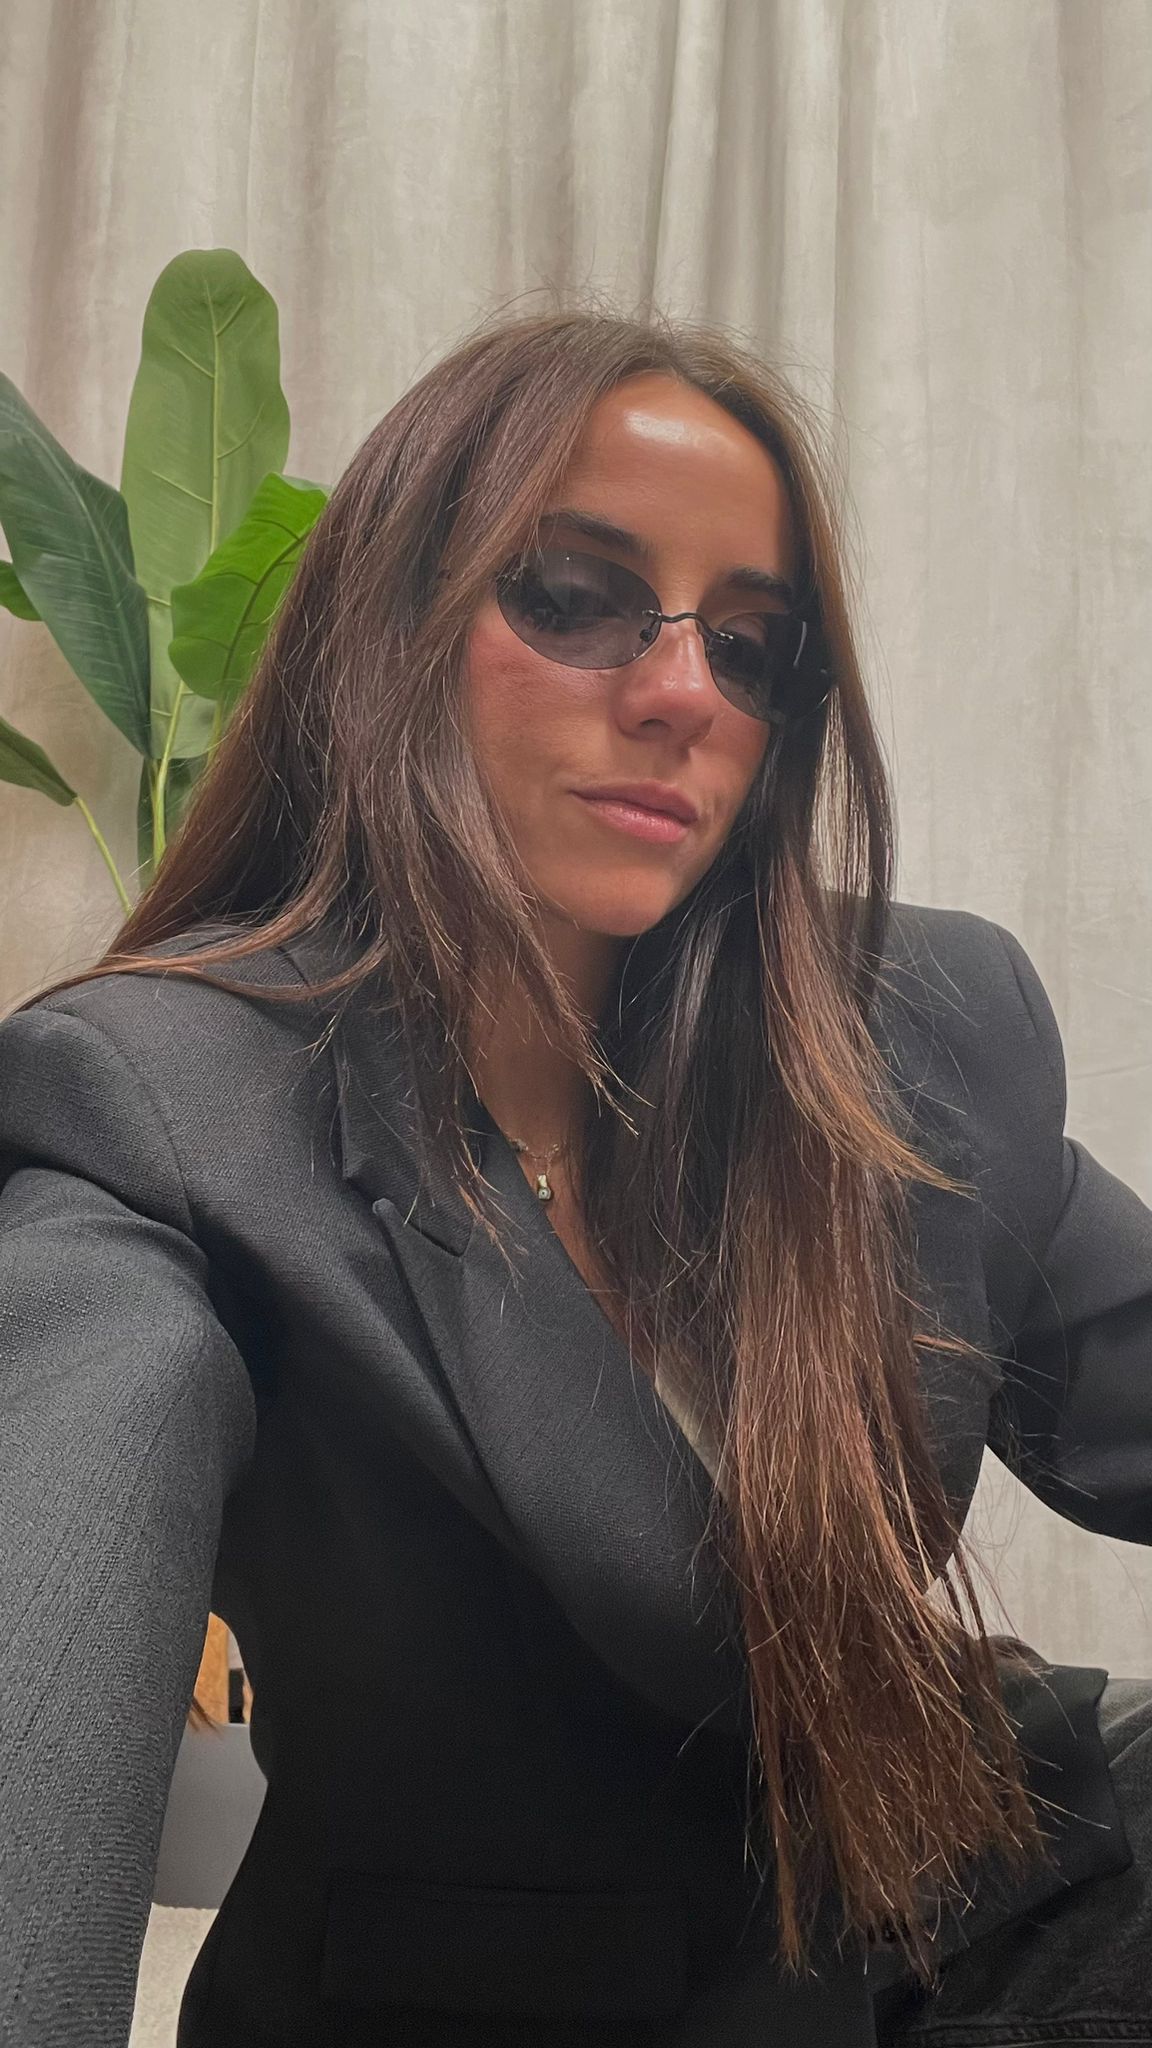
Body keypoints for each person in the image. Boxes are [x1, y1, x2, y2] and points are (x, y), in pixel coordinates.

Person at [1, 306, 1149, 2048]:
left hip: (1002, 1907)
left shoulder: (915, 1027)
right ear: (393, 623)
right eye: (573, 593)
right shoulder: (165, 1106)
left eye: (752, 645)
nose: (685, 690)